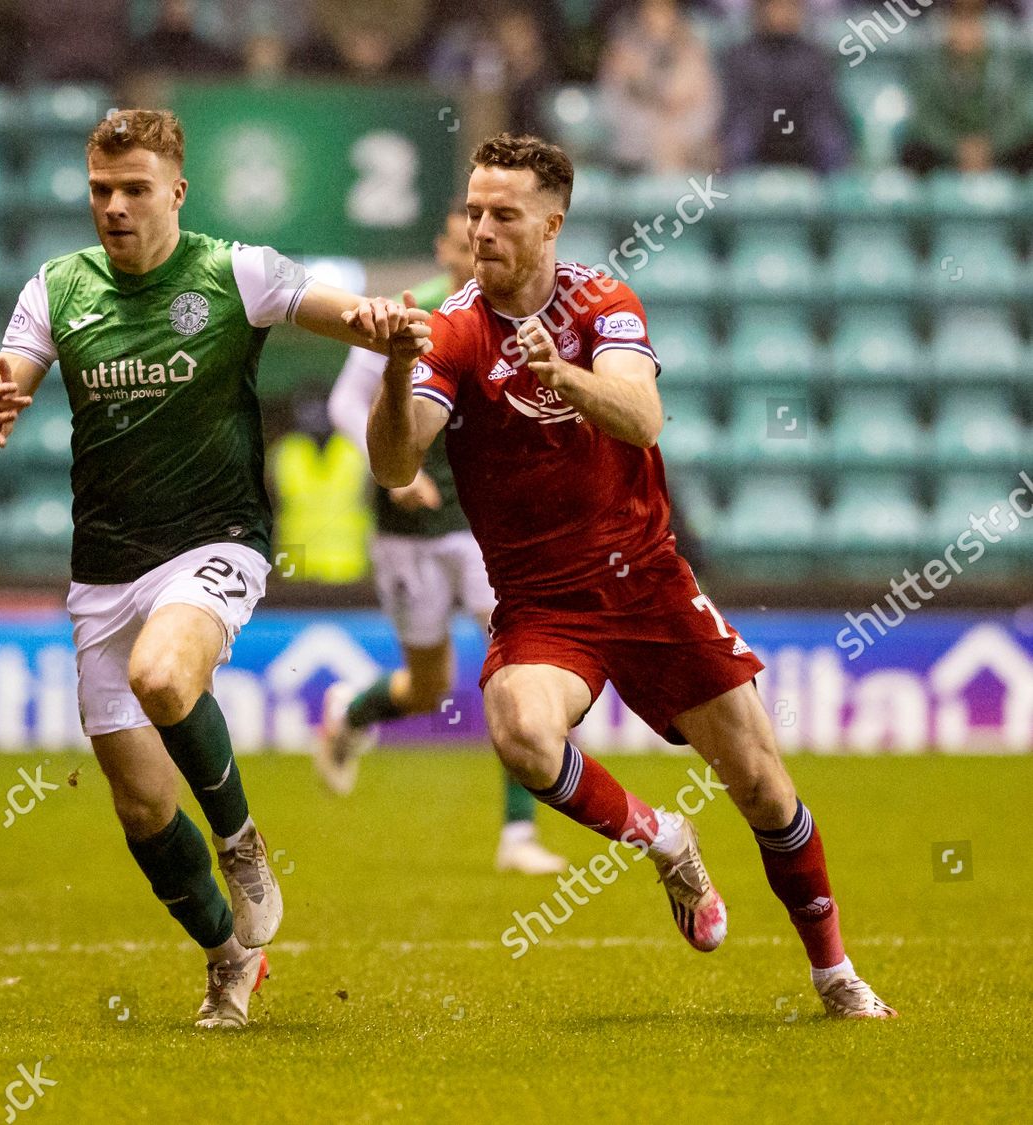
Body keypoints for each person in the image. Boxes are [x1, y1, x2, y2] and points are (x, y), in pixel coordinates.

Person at [362, 131, 896, 1019]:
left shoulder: (602, 300)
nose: (481, 229)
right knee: (520, 730)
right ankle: (666, 840)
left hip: (648, 581)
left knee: (764, 785)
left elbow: (643, 417)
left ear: (551, 224)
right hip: (544, 603)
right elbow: (392, 461)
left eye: (503, 215)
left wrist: (558, 373)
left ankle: (835, 974)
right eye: (473, 211)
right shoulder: (453, 329)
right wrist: (392, 366)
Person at [0, 109, 427, 1029]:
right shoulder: (56, 289)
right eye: (101, 191)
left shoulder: (233, 271)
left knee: (165, 675)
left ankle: (243, 841)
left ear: (177, 190)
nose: (116, 208)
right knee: (139, 808)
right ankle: (227, 960)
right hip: (103, 566)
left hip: (215, 540)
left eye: (135, 190)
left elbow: (341, 315)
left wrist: (380, 322)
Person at [319, 202, 566, 877]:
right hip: (409, 528)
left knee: (520, 658)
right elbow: (347, 404)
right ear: (444, 250)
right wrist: (393, 475)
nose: (475, 256)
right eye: (464, 246)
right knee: (430, 686)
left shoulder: (513, 315)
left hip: (481, 524)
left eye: (485, 243)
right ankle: (352, 714)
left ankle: (518, 833)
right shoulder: (410, 314)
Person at [899, 0, 1033, 176]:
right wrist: (956, 148)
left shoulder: (1009, 34)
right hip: (944, 148)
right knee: (914, 153)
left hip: (999, 146)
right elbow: (921, 113)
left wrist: (989, 147)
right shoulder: (929, 36)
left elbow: (1022, 113)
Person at [719, 0, 852, 172]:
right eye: (775, 6)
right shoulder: (740, 57)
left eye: (789, 6)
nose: (782, 13)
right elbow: (735, 110)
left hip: (803, 130)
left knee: (830, 141)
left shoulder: (815, 57)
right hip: (758, 129)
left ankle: (836, 196)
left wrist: (795, 124)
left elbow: (825, 107)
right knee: (737, 143)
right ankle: (730, 196)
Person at [598, 0, 718, 173]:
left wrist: (679, 135)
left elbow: (708, 109)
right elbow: (611, 107)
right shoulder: (622, 55)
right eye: (652, 10)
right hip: (633, 154)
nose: (657, 19)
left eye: (664, 11)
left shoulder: (694, 52)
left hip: (688, 152)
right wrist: (652, 134)